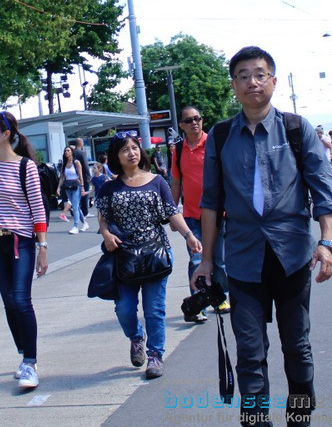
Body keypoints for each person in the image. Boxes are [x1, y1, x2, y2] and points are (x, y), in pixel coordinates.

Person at [194, 46, 332, 425]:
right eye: (243, 76)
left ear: (273, 81)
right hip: (244, 259)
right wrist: (207, 260)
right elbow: (210, 202)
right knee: (249, 349)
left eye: (259, 74)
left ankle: (299, 416)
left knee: (297, 345)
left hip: (292, 254)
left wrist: (326, 243)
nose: (252, 82)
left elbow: (324, 191)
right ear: (234, 85)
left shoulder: (297, 129)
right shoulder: (222, 135)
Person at [100, 131, 202, 379]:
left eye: (134, 147)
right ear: (117, 156)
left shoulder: (157, 181)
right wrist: (105, 234)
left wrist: (188, 234)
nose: (131, 153)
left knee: (154, 309)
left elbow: (171, 212)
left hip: (156, 252)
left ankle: (155, 355)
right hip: (124, 256)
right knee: (124, 308)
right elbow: (103, 219)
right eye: (125, 149)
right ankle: (136, 337)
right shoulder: (109, 187)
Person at [0, 111, 48, 389]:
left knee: (20, 300)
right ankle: (22, 353)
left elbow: (38, 209)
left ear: (6, 135)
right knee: (8, 301)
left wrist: (42, 247)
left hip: (21, 240)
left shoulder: (25, 167)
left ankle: (30, 362)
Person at [170, 105, 228, 325]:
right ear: (182, 126)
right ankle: (199, 303)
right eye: (189, 120)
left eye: (198, 118)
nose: (195, 122)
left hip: (216, 213)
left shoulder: (213, 144)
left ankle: (220, 299)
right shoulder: (179, 150)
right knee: (197, 259)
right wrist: (172, 212)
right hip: (192, 215)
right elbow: (176, 181)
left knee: (219, 260)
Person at [60, 146, 87, 235]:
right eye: (65, 151)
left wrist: (82, 186)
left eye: (68, 150)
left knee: (75, 206)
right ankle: (85, 223)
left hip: (76, 186)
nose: (66, 152)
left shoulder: (76, 162)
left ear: (72, 152)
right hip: (68, 186)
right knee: (76, 207)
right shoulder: (64, 164)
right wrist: (58, 187)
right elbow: (62, 177)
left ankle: (75, 226)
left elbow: (81, 175)